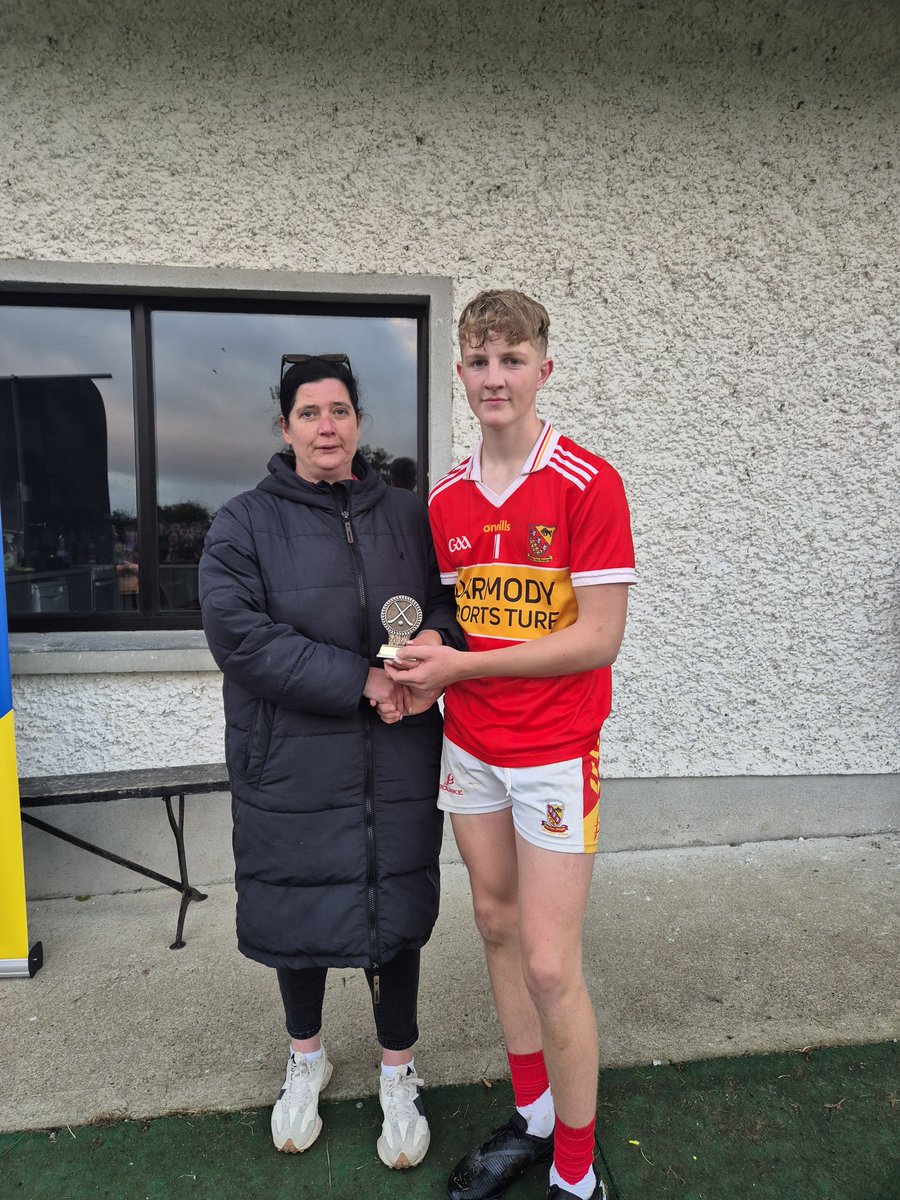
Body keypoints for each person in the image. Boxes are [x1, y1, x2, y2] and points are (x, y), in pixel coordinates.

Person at [385, 291, 636, 1200]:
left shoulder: (587, 481)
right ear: (460, 372)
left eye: (513, 359)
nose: (495, 377)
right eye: (480, 361)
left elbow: (598, 638)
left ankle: (577, 1171)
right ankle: (533, 1116)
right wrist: (428, 666)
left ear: (543, 369)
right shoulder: (447, 496)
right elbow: (462, 620)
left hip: (557, 750)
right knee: (494, 924)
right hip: (472, 745)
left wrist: (462, 668)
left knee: (548, 963)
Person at [199, 352, 459, 1171]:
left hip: (398, 752)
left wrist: (432, 643)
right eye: (309, 412)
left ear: (358, 423)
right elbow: (240, 636)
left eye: (339, 410)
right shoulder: (242, 523)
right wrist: (362, 679)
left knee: (395, 905)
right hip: (291, 759)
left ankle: (398, 1070)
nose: (325, 426)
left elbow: (450, 598)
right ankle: (305, 1057)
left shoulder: (409, 515)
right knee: (298, 906)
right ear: (285, 428)